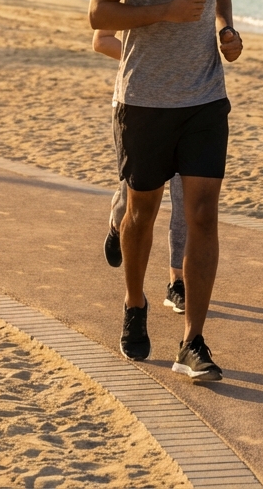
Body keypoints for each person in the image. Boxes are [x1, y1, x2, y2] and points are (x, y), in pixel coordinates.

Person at [88, 0, 243, 381]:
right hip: (144, 99)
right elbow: (98, 13)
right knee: (141, 214)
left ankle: (193, 341)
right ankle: (135, 302)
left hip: (204, 97)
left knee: (202, 214)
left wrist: (225, 27)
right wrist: (166, 13)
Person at [94, 27, 188, 314]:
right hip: (138, 100)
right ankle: (116, 221)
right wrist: (152, 60)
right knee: (134, 197)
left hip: (189, 104)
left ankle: (177, 282)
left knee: (185, 198)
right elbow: (101, 40)